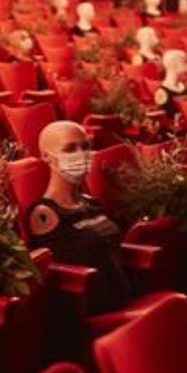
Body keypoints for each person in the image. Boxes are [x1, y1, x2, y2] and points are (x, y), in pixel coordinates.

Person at [27, 121, 128, 312]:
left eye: (85, 147)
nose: (81, 154)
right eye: (70, 148)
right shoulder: (44, 213)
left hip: (121, 302)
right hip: (87, 311)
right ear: (47, 157)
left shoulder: (92, 203)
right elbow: (57, 278)